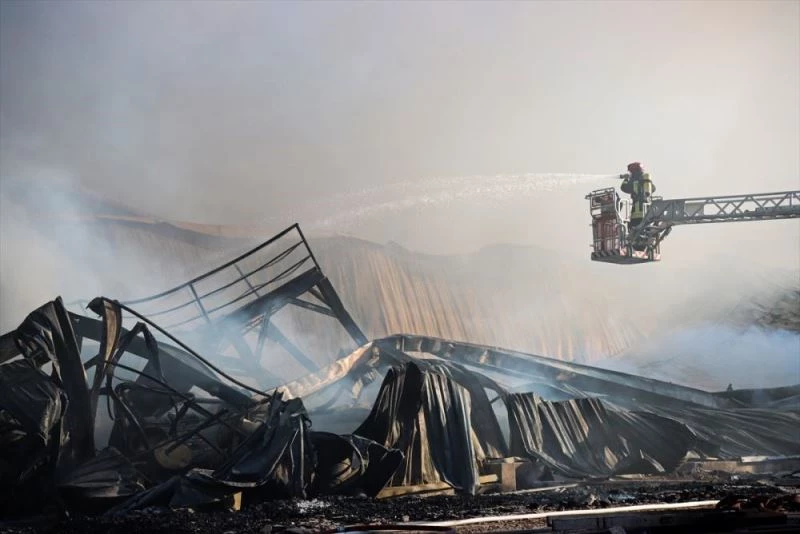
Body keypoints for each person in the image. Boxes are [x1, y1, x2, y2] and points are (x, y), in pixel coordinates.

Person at [619, 162, 656, 230]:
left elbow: (623, 187)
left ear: (634, 171)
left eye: (631, 172)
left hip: (636, 213)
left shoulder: (633, 181)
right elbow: (653, 188)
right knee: (646, 230)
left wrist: (626, 179)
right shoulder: (646, 180)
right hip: (647, 212)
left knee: (633, 230)